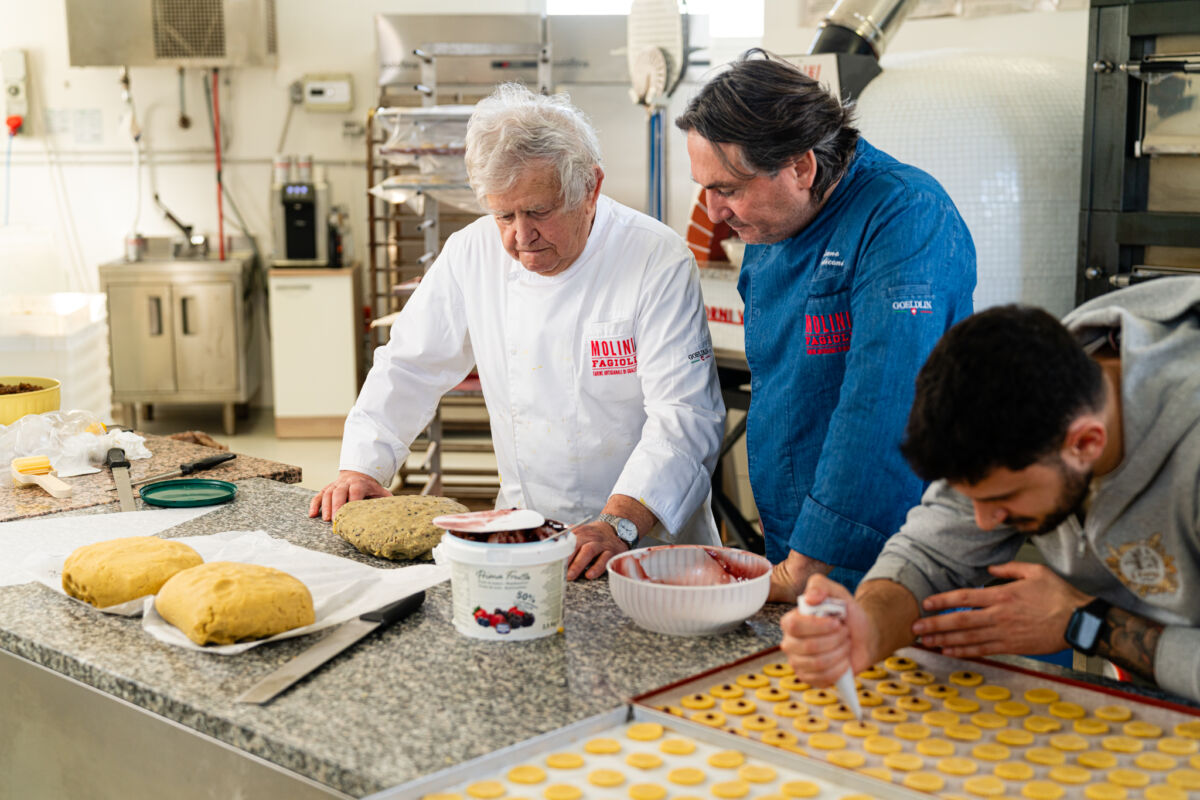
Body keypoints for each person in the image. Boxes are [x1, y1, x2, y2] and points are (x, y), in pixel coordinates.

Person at [309, 83, 725, 581]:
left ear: (591, 188)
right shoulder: (471, 253)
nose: (520, 236)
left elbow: (685, 415)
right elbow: (409, 366)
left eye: (539, 212)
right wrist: (362, 467)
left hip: (648, 538)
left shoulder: (654, 257)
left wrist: (619, 523)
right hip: (528, 533)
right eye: (503, 215)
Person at [781, 277, 1200, 703]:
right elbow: (929, 558)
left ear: (1086, 443)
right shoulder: (1024, 400)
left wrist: (1085, 623)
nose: (982, 522)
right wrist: (866, 628)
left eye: (1001, 500)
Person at [676, 51, 976, 602]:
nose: (714, 213)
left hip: (891, 549)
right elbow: (785, 383)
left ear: (801, 167)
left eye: (729, 188)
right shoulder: (773, 221)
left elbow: (883, 398)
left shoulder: (906, 216)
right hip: (799, 543)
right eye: (706, 187)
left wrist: (814, 556)